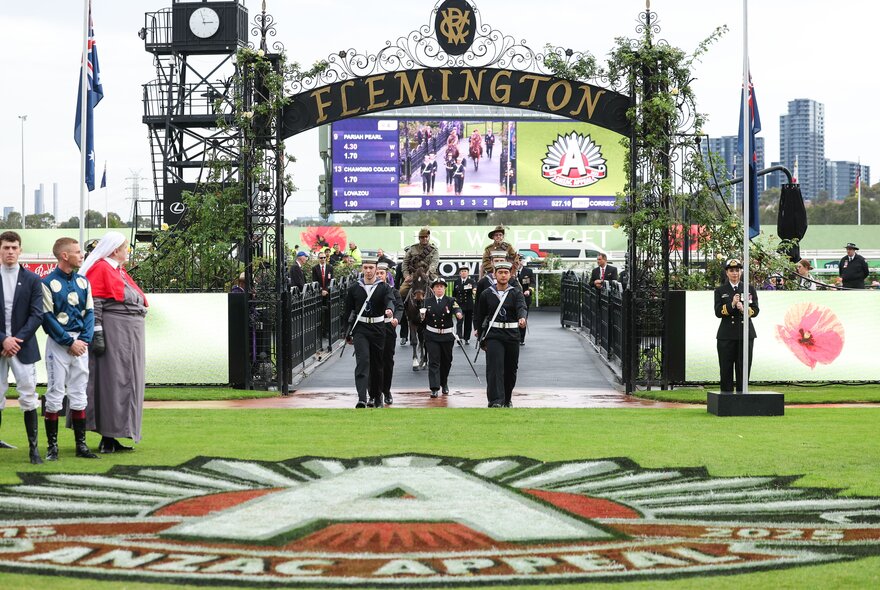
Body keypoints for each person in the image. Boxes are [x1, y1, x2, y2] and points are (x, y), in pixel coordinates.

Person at [78, 231, 148, 453]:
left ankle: (116, 434)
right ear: (116, 249)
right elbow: (95, 302)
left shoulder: (118, 270)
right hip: (115, 332)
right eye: (125, 247)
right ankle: (108, 436)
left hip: (129, 334)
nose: (128, 250)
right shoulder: (101, 268)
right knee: (113, 382)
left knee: (127, 381)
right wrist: (97, 333)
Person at [41, 237, 99, 461]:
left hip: (80, 345)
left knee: (78, 392)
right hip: (59, 344)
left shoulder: (84, 282)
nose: (81, 255)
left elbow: (90, 313)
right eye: (77, 252)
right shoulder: (46, 283)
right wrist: (68, 342)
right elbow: (47, 317)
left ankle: (81, 446)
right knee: (55, 393)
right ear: (64, 256)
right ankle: (52, 447)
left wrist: (83, 340)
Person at [0, 231, 44, 463]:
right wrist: (2, 340)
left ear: (20, 250)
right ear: (0, 249)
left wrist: (15, 340)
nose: (10, 252)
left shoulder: (32, 280)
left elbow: (37, 315)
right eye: (6, 247)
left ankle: (33, 449)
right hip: (0, 347)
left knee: (28, 395)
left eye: (14, 247)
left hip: (22, 347)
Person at [343, 258, 395, 408]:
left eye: (371, 268)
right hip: (361, 329)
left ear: (376, 268)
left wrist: (389, 309)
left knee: (378, 364)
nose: (368, 271)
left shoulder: (383, 287)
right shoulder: (354, 288)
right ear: (362, 269)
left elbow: (390, 300)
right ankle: (361, 398)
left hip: (378, 328)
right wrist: (346, 332)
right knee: (363, 361)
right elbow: (348, 312)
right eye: (365, 267)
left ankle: (377, 396)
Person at [474, 261, 527, 408]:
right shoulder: (486, 294)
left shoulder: (516, 292)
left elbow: (521, 307)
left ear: (510, 275)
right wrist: (481, 339)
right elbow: (480, 315)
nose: (503, 275)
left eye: (506, 273)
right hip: (494, 335)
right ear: (495, 274)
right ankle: (495, 400)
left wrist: (522, 317)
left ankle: (507, 398)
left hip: (511, 334)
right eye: (500, 272)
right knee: (494, 368)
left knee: (511, 369)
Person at [714, 258, 759, 394]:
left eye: (737, 270)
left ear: (741, 272)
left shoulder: (748, 288)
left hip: (745, 334)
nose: (735, 273)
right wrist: (732, 305)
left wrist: (744, 309)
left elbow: (755, 310)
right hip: (726, 335)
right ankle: (726, 399)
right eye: (732, 270)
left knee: (743, 368)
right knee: (726, 368)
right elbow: (717, 312)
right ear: (727, 273)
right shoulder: (721, 290)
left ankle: (742, 397)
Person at [422, 277, 463, 398]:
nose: (439, 288)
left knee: (446, 361)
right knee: (434, 361)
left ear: (445, 288)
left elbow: (457, 308)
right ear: (433, 289)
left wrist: (459, 314)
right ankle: (434, 388)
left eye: (441, 286)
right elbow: (421, 318)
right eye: (437, 286)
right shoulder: (427, 302)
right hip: (432, 335)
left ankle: (444, 382)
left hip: (446, 335)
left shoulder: (450, 300)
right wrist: (421, 316)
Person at [373, 262, 403, 407]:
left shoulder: (393, 291)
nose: (379, 275)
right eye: (377, 273)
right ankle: (373, 393)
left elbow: (399, 307)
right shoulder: (369, 290)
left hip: (388, 327)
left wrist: (396, 318)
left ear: (386, 275)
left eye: (381, 273)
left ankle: (386, 391)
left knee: (387, 361)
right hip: (373, 327)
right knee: (372, 361)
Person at [400, 227, 440, 299]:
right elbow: (405, 263)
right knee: (402, 291)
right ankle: (402, 309)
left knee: (439, 291)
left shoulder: (434, 250)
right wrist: (406, 275)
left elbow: (434, 263)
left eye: (426, 237)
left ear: (429, 237)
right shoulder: (412, 248)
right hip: (414, 276)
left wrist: (428, 273)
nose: (424, 238)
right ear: (419, 238)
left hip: (429, 275)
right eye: (422, 237)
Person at [311, 251, 335, 352]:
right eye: (321, 258)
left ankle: (327, 332)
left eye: (324, 257)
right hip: (319, 294)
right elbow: (315, 280)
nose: (323, 259)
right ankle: (319, 333)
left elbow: (331, 280)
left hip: (328, 294)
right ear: (318, 258)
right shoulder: (315, 268)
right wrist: (321, 290)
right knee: (319, 313)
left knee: (328, 313)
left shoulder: (330, 268)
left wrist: (326, 290)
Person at [452, 266, 477, 345]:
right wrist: (454, 302)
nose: (463, 272)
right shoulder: (457, 282)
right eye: (462, 271)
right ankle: (459, 337)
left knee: (468, 322)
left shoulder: (471, 281)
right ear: (460, 273)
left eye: (465, 271)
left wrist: (474, 291)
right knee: (459, 321)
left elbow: (474, 288)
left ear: (468, 273)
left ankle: (467, 338)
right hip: (459, 305)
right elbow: (454, 294)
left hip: (468, 305)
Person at [517, 256, 535, 345]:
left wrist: (529, 290)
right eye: (517, 260)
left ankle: (521, 338)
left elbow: (532, 283)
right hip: (512, 298)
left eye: (520, 260)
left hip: (525, 298)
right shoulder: (509, 271)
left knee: (523, 317)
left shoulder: (528, 271)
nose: (518, 262)